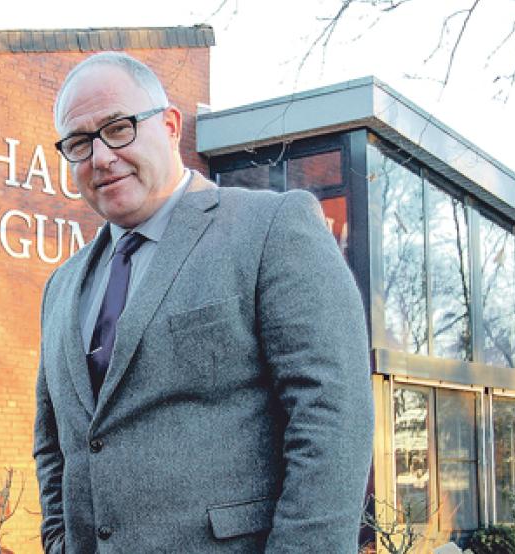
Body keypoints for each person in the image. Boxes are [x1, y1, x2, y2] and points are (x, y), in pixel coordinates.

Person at [33, 52, 374, 553]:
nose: (101, 156)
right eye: (79, 143)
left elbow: (332, 420)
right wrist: (59, 542)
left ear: (170, 125)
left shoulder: (271, 229)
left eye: (119, 128)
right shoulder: (61, 285)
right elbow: (53, 442)